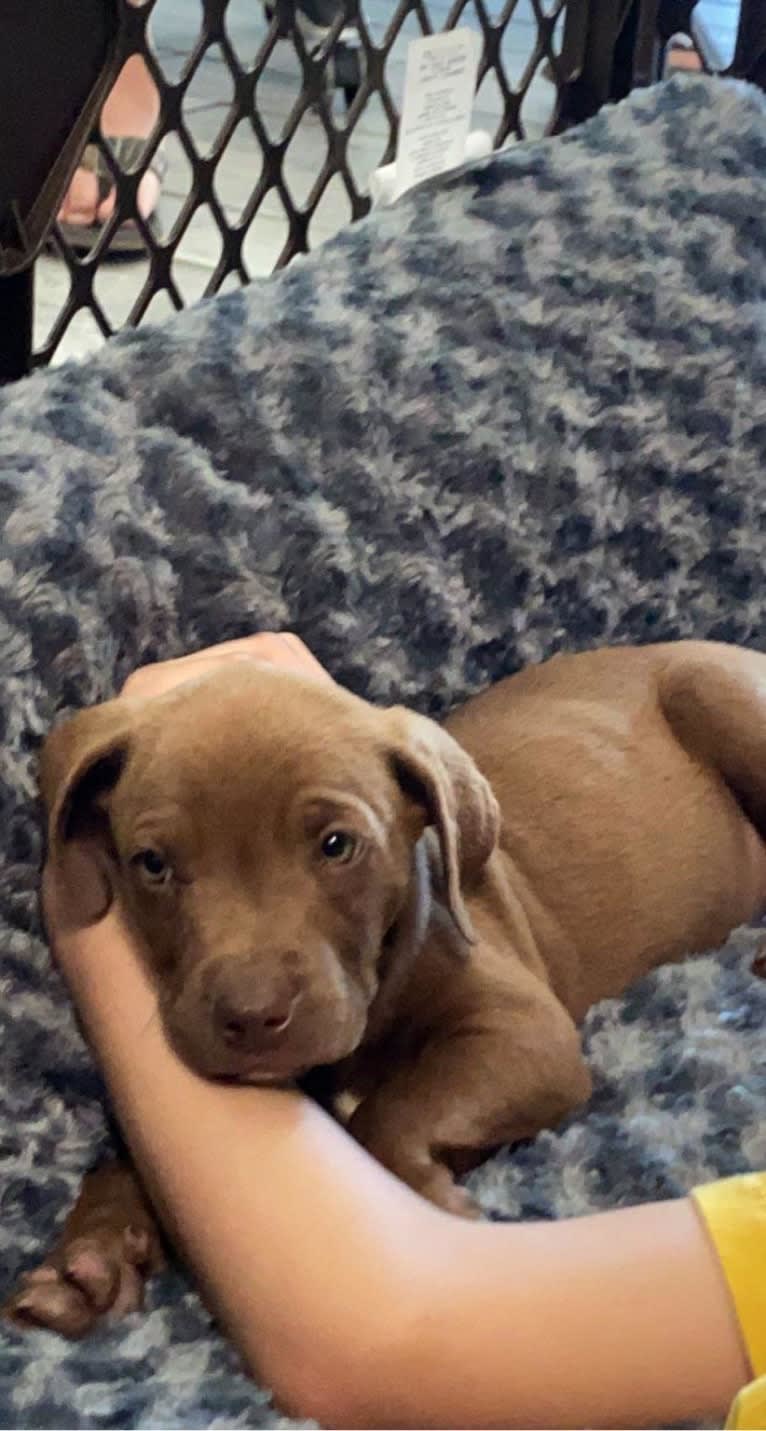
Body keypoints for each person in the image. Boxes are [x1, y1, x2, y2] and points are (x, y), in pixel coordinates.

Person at [37, 633, 766, 1429]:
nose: (249, 987)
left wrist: (399, 1140)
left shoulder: (444, 926)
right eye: (155, 864)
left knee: (716, 692)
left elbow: (541, 1052)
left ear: (430, 822)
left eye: (336, 846)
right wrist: (122, 1198)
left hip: (696, 721)